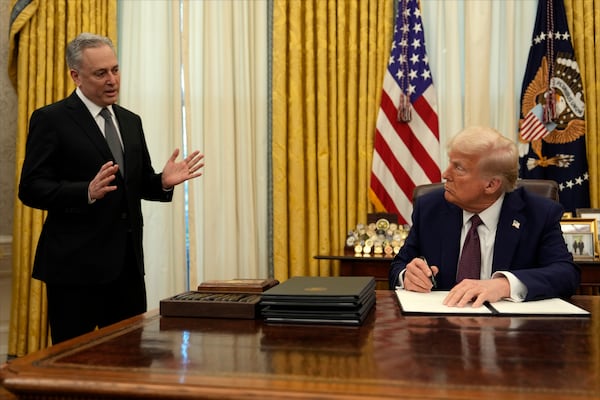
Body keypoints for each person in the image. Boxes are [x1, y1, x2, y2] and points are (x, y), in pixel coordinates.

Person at [18, 33, 205, 344]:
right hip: (74, 271)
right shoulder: (51, 119)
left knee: (130, 358)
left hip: (127, 270)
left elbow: (138, 182)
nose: (112, 80)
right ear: (75, 76)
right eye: (100, 73)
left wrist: (161, 182)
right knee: (74, 366)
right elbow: (31, 188)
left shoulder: (131, 121)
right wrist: (85, 192)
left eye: (115, 70)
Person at [389, 126, 580, 308]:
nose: (445, 174)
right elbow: (398, 266)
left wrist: (504, 285)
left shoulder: (538, 213)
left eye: (459, 168)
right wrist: (407, 276)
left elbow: (566, 274)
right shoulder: (430, 208)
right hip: (442, 328)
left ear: (491, 185)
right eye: (450, 163)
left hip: (512, 333)